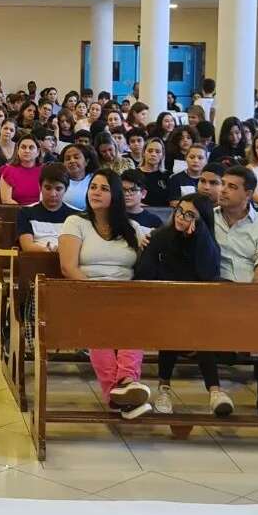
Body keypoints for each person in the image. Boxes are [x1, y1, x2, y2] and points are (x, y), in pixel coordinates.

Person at [55, 170, 150, 418]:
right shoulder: (75, 223)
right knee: (99, 325)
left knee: (138, 320)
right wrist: (97, 294)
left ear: (116, 195)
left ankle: (125, 384)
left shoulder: (132, 228)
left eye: (104, 188)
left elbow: (151, 253)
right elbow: (68, 267)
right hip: (86, 292)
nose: (95, 192)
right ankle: (119, 391)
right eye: (93, 187)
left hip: (125, 295)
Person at [134, 193, 233, 417]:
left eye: (190, 215)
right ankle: (165, 388)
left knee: (194, 324)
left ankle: (214, 392)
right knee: (178, 323)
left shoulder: (206, 242)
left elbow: (208, 275)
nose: (181, 217)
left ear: (201, 220)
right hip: (163, 302)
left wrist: (200, 238)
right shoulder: (160, 236)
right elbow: (144, 273)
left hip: (196, 306)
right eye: (180, 211)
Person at [214, 166, 258, 435]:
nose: (223, 190)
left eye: (232, 186)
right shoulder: (207, 219)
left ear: (249, 194)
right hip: (212, 296)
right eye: (223, 184)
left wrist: (253, 293)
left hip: (251, 295)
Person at [16, 163, 80, 253]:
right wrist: (47, 251)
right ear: (40, 187)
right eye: (48, 188)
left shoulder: (76, 216)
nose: (53, 194)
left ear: (66, 189)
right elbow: (27, 246)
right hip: (36, 260)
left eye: (58, 189)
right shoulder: (26, 212)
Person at [0, 136, 43, 206]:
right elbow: (6, 200)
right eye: (23, 147)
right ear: (17, 150)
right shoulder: (8, 171)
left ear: (38, 152)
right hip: (17, 212)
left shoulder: (44, 171)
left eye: (31, 148)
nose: (27, 151)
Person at [59, 143, 95, 211]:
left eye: (76, 157)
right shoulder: (58, 180)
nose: (72, 161)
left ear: (86, 162)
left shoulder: (94, 179)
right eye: (67, 159)